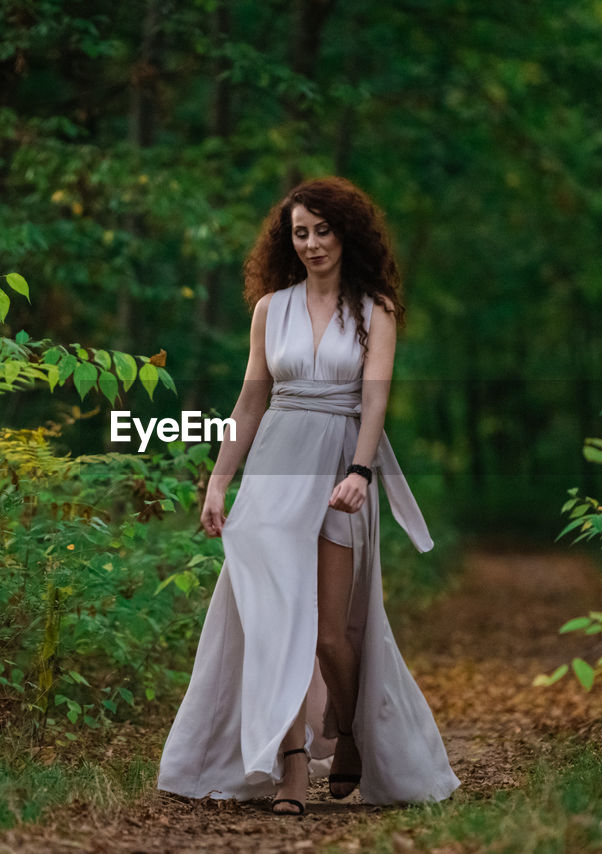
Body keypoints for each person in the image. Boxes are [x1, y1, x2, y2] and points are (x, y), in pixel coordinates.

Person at [155, 176, 459, 815]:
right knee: (273, 622)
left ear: (346, 234)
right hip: (273, 468)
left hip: (337, 472)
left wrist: (361, 470)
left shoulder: (376, 310)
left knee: (328, 633)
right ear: (286, 240)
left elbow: (375, 397)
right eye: (300, 232)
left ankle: (348, 732)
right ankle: (291, 768)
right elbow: (251, 399)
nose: (313, 243)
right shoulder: (271, 308)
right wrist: (218, 481)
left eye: (323, 230)